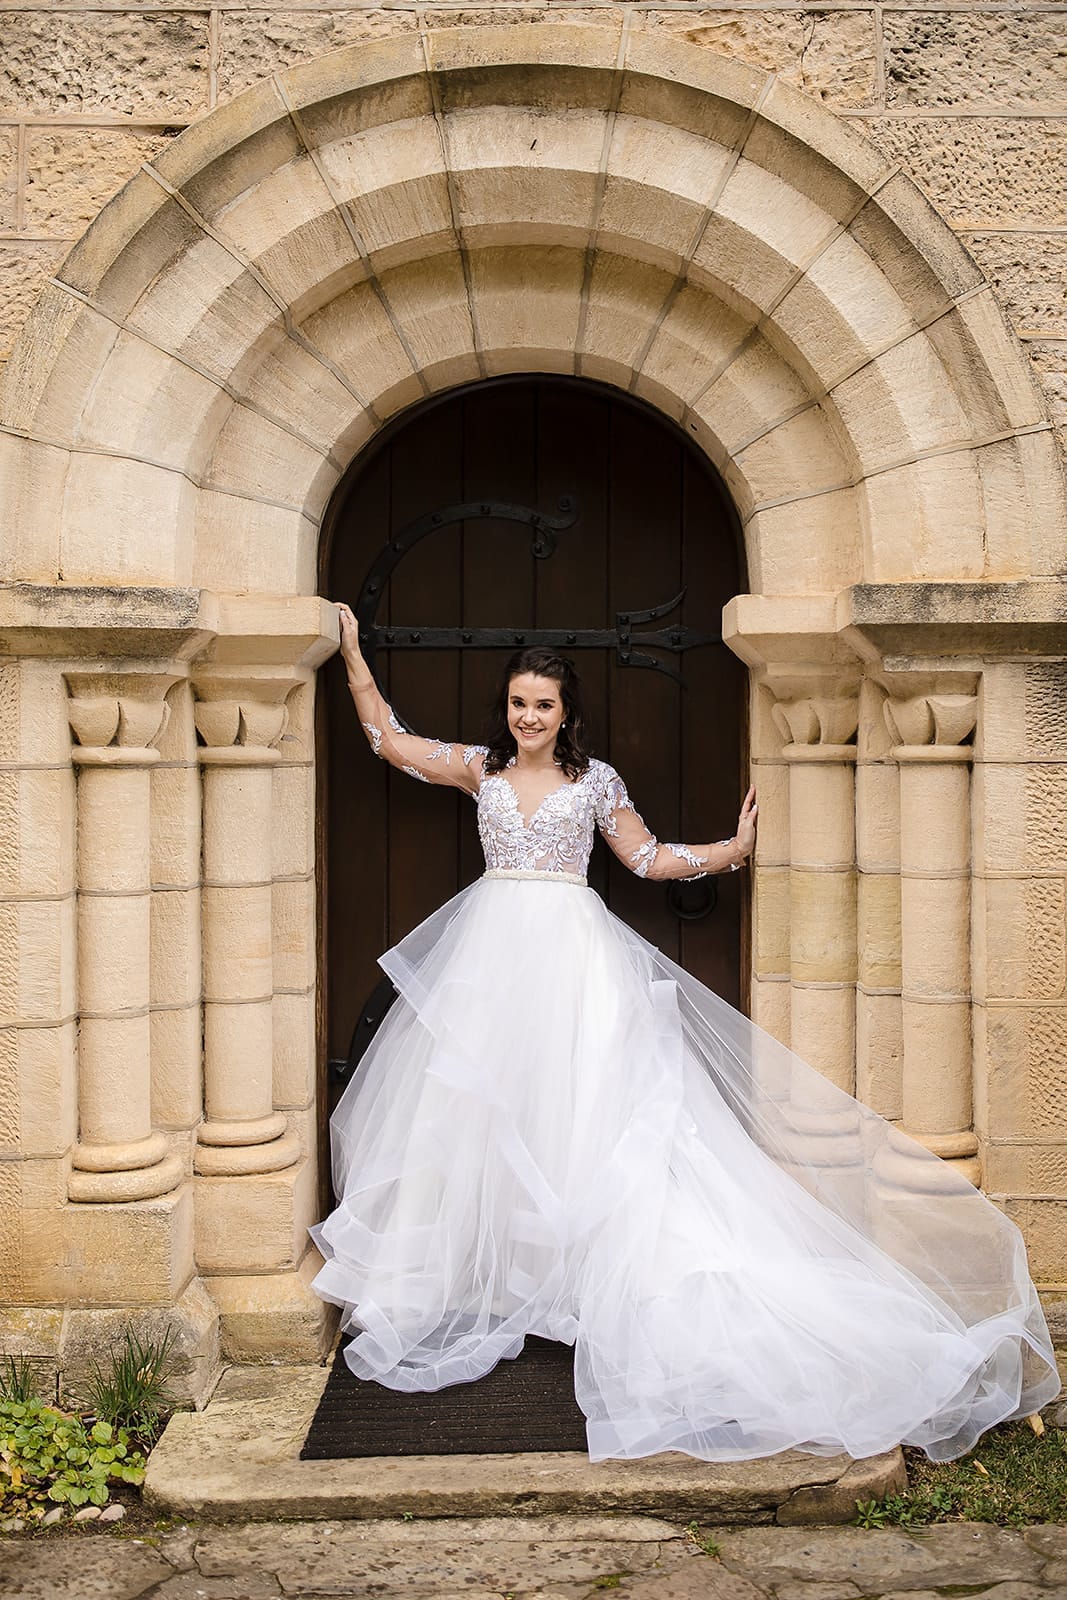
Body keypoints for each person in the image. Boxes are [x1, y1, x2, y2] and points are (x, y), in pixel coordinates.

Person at [312, 602, 1059, 1464]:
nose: (528, 718)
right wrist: (355, 655)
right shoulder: (478, 770)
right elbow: (388, 741)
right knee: (484, 1111)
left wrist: (731, 848)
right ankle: (502, 1281)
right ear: (504, 708)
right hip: (489, 957)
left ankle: (581, 1287)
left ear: (566, 715)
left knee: (586, 1113)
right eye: (518, 703)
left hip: (573, 960)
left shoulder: (594, 783)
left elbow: (645, 858)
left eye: (543, 706)